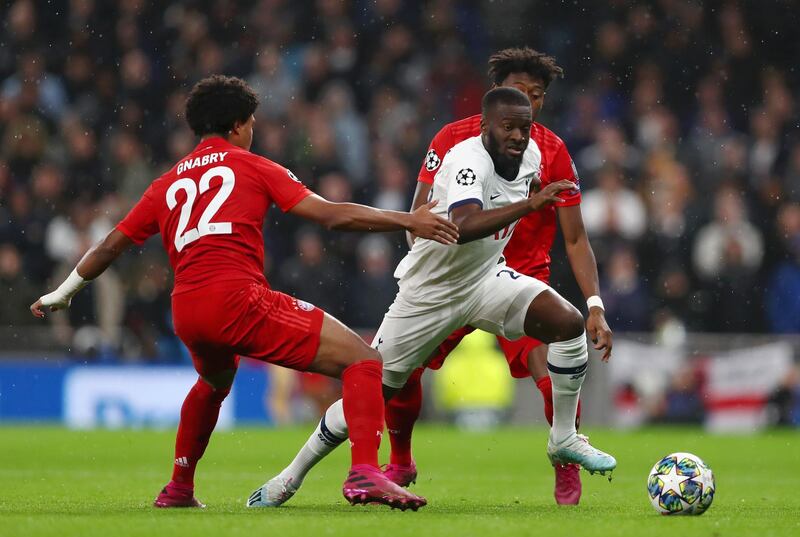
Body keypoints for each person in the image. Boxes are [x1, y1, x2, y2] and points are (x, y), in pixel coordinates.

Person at [30, 75, 460, 511]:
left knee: (213, 382)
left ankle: (179, 488)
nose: (253, 132)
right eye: (251, 123)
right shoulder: (252, 166)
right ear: (237, 126)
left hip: (188, 311)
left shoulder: (165, 184)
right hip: (237, 299)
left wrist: (63, 292)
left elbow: (109, 246)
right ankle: (365, 472)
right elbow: (330, 216)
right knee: (365, 361)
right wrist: (406, 220)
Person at [256, 48, 613, 508]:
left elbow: (576, 236)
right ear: (491, 103)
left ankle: (564, 443)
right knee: (380, 386)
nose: (524, 122)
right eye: (515, 104)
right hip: (435, 288)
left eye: (535, 101)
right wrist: (526, 205)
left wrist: (595, 305)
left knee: (566, 326)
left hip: (494, 276)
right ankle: (292, 476)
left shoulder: (543, 152)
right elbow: (456, 222)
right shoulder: (462, 150)